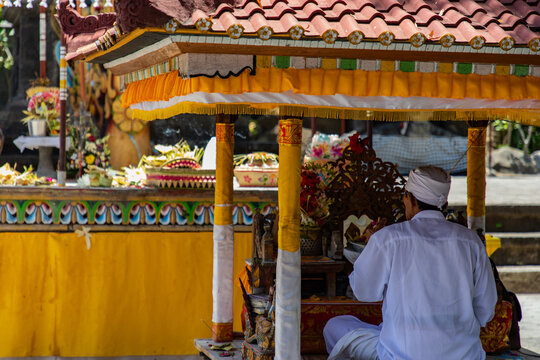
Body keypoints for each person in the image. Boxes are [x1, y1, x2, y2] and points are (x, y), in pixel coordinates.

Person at [323, 166, 497, 360]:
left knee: (335, 327)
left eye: (405, 197)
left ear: (410, 198)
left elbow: (364, 292)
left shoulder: (388, 239)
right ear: (444, 203)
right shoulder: (471, 242)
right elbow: (486, 311)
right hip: (463, 355)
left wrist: (373, 244)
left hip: (401, 354)